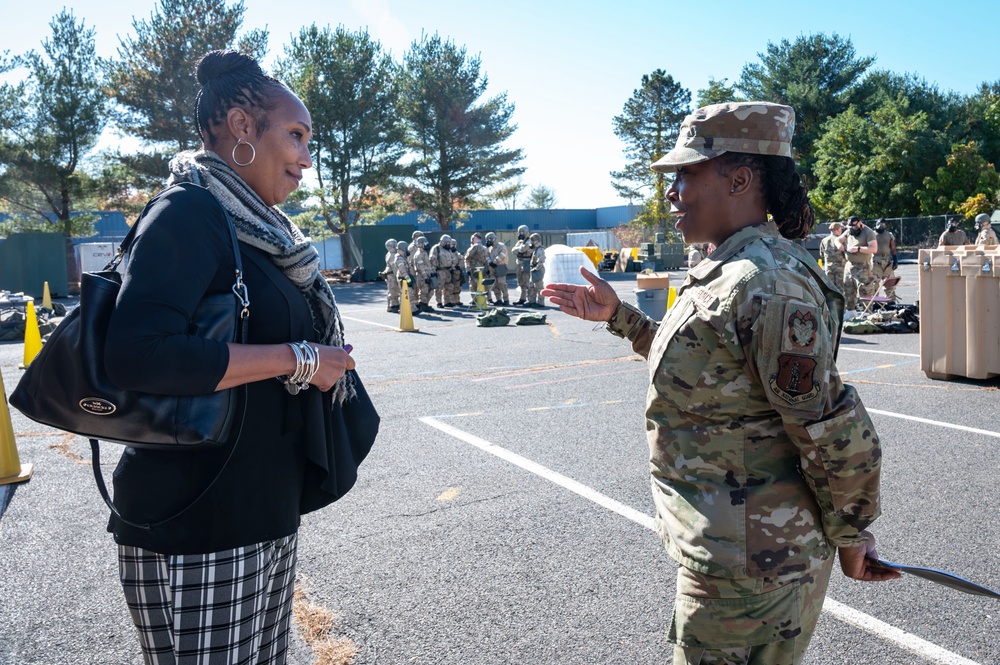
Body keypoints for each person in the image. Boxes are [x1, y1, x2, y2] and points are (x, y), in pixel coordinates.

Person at [542, 101, 897, 665]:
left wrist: (852, 534)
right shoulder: (730, 269)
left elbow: (831, 428)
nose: (671, 191)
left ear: (739, 179)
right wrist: (619, 317)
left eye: (685, 173)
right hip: (738, 552)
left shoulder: (765, 282)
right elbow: (712, 369)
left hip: (751, 567)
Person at [103, 50, 371, 664]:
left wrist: (315, 358)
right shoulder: (188, 212)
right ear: (243, 128)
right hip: (200, 516)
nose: (308, 158)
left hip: (256, 505)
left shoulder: (257, 229)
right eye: (297, 136)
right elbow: (138, 355)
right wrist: (299, 358)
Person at [836, 215, 878, 313]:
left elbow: (874, 249)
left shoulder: (868, 232)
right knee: (848, 291)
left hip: (863, 267)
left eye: (854, 226)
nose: (852, 229)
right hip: (849, 265)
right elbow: (838, 239)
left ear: (859, 223)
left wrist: (858, 249)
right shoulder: (849, 231)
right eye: (850, 227)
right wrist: (839, 245)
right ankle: (850, 313)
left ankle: (867, 313)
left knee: (865, 292)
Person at [872, 218, 898, 302]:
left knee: (890, 283)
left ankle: (891, 301)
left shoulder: (889, 235)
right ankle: (875, 302)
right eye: (880, 224)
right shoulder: (871, 235)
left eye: (883, 224)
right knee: (874, 283)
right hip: (875, 262)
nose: (881, 226)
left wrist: (895, 259)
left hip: (887, 262)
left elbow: (893, 248)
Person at [818, 222, 847, 295]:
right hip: (840, 268)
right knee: (840, 289)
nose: (841, 230)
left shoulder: (824, 240)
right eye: (841, 228)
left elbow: (821, 254)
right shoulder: (840, 240)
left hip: (829, 268)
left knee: (829, 289)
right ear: (838, 229)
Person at [393, 240, 419, 316]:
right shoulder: (399, 258)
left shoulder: (403, 257)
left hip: (405, 277)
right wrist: (408, 280)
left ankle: (407, 309)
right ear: (403, 249)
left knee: (407, 294)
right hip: (403, 278)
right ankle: (411, 310)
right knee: (407, 294)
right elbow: (402, 271)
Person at [429, 234, 455, 308]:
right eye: (447, 242)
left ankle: (447, 301)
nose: (448, 244)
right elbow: (432, 260)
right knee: (439, 287)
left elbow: (452, 259)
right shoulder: (436, 248)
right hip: (440, 271)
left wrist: (452, 268)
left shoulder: (448, 249)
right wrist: (433, 271)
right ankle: (439, 302)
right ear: (443, 242)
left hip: (448, 270)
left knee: (448, 286)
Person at [485, 232, 510, 305]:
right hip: (492, 267)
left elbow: (502, 255)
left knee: (502, 284)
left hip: (500, 266)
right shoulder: (489, 248)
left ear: (494, 239)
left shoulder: (501, 246)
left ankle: (506, 300)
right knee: (494, 284)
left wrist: (495, 261)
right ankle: (498, 299)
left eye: (490, 239)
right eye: (487, 239)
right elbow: (486, 255)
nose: (489, 241)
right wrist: (490, 262)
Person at [411, 236, 434, 312]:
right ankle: (423, 305)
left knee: (430, 290)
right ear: (420, 244)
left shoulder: (424, 253)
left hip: (427, 275)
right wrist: (425, 277)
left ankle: (425, 304)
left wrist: (431, 273)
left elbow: (428, 265)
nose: (427, 245)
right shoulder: (419, 254)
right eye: (425, 243)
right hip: (422, 276)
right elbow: (420, 267)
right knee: (424, 291)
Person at [465, 232, 490, 302]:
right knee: (478, 285)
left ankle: (477, 299)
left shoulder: (477, 247)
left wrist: (468, 269)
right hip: (478, 269)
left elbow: (467, 258)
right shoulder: (483, 248)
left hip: (477, 269)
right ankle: (479, 299)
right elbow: (467, 259)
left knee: (476, 285)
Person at [512, 225, 533, 305]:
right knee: (521, 282)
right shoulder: (520, 242)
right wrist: (519, 250)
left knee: (526, 281)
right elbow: (513, 250)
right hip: (519, 263)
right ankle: (522, 298)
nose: (521, 233)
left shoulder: (529, 241)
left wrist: (519, 250)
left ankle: (530, 299)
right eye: (520, 232)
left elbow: (523, 249)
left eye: (522, 232)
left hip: (526, 262)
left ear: (526, 232)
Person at [525, 232, 546, 307]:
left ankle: (541, 303)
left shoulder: (540, 249)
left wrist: (536, 268)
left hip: (537, 270)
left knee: (539, 286)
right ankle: (532, 301)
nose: (532, 242)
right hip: (533, 269)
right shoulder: (535, 249)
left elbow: (540, 261)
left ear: (537, 240)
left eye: (533, 240)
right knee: (531, 286)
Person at [383, 238, 400, 313]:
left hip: (390, 275)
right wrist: (398, 276)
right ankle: (394, 306)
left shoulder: (389, 254)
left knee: (391, 290)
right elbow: (394, 267)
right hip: (392, 275)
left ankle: (390, 306)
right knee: (394, 290)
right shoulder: (392, 255)